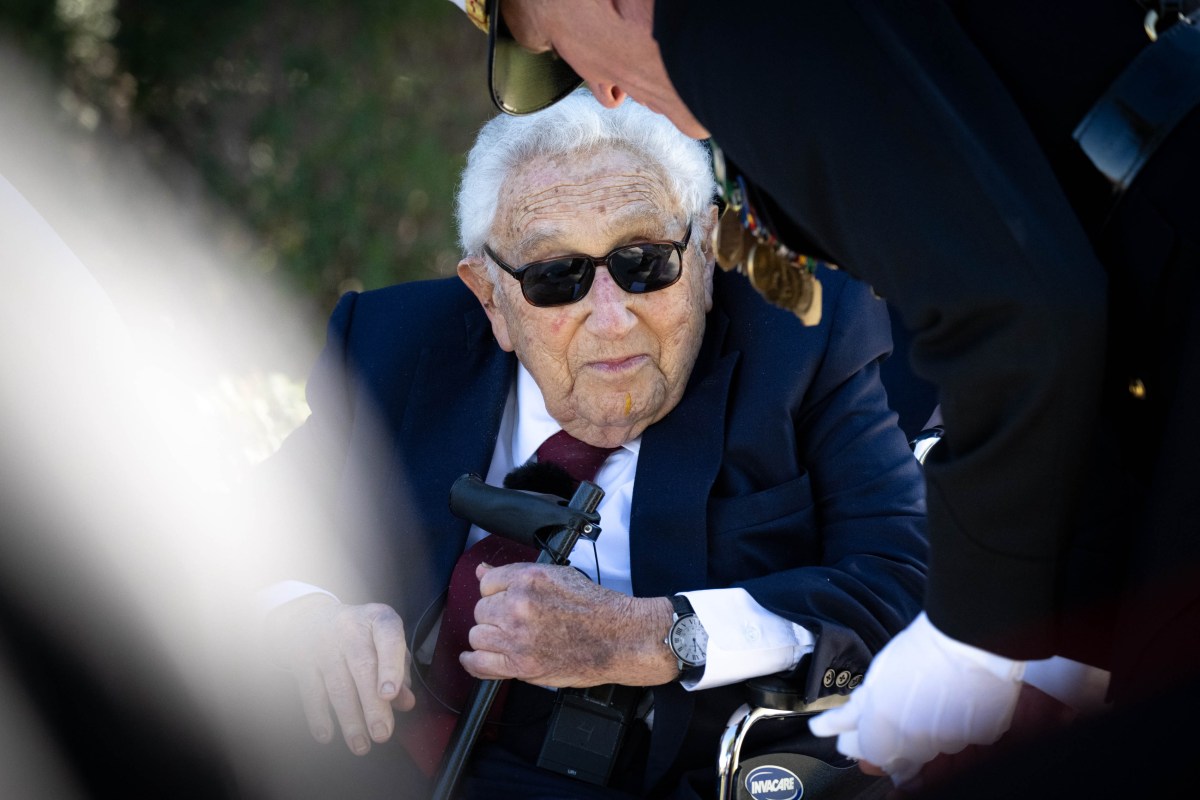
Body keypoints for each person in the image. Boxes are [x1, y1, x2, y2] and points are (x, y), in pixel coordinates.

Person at [449, 0, 1200, 793]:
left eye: (557, 46)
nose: (600, 90)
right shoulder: (392, 344)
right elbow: (1047, 305)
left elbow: (1021, 316)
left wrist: (972, 642)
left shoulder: (727, 24)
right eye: (555, 279)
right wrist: (1059, 644)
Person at [256, 89, 928, 798]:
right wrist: (301, 612)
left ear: (703, 253)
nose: (611, 320)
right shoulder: (395, 345)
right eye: (556, 278)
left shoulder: (800, 341)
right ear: (491, 298)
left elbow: (900, 577)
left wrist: (652, 637)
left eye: (645, 262)